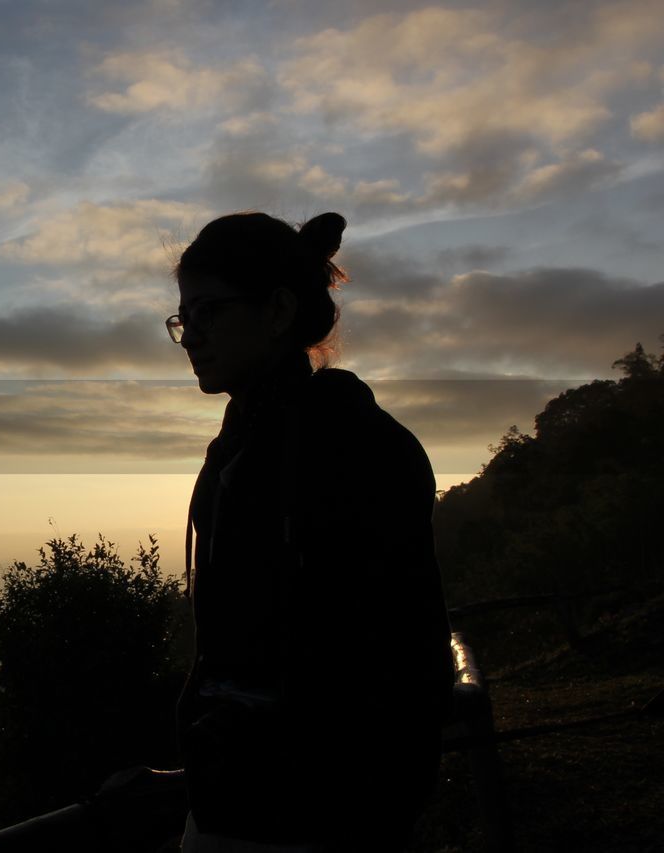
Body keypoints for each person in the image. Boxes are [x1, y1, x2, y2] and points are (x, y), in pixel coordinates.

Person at [165, 211, 456, 851]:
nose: (191, 338)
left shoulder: (354, 449)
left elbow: (403, 657)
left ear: (276, 311)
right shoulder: (245, 443)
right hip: (237, 803)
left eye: (210, 312)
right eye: (184, 319)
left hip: (312, 816)